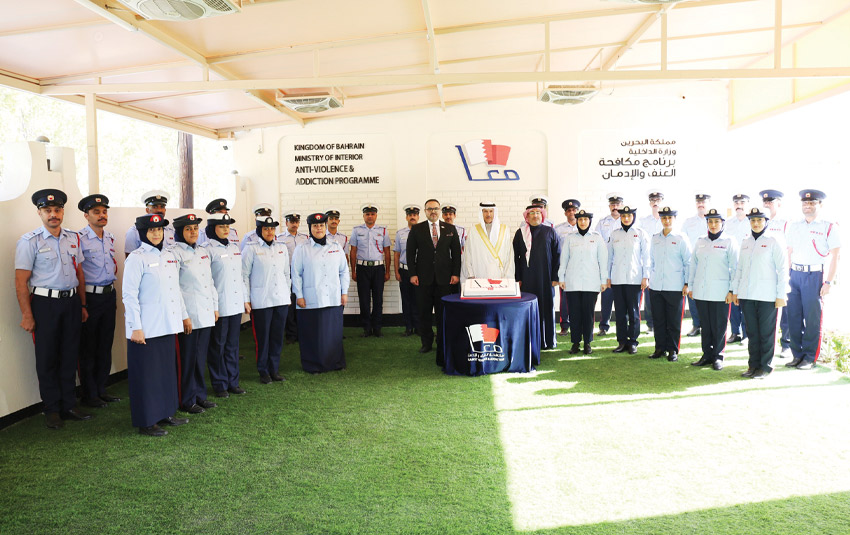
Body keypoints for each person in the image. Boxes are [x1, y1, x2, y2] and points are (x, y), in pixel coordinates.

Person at [15, 189, 93, 430]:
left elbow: (79, 273)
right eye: (48, 210)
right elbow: (20, 281)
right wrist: (27, 314)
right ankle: (51, 409)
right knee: (47, 358)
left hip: (71, 303)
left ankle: (69, 405)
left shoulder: (73, 238)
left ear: (62, 212)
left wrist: (82, 304)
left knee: (70, 355)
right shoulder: (29, 241)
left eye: (57, 210)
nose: (53, 214)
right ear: (39, 213)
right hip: (45, 305)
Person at [122, 213, 189, 436]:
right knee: (147, 376)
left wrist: (184, 316)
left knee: (166, 372)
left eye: (159, 229)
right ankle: (147, 421)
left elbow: (175, 289)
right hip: (146, 328)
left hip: (167, 323)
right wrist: (135, 327)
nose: (156, 233)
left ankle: (166, 412)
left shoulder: (169, 255)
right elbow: (129, 295)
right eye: (151, 230)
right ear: (143, 233)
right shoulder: (136, 258)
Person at [785, 189, 841, 370]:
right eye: (805, 203)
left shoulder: (828, 226)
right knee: (793, 316)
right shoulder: (795, 225)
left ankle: (809, 357)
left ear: (820, 205)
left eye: (812, 203)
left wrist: (828, 282)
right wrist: (787, 276)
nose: (807, 206)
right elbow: (789, 252)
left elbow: (835, 256)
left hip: (814, 276)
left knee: (812, 318)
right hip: (795, 275)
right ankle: (797, 355)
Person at [732, 208, 789, 379]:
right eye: (752, 220)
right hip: (747, 295)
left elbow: (783, 269)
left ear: (766, 221)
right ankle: (753, 365)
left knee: (766, 333)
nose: (756, 223)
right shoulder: (746, 242)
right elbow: (740, 268)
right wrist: (736, 291)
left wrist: (781, 295)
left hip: (767, 296)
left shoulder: (774, 240)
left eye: (759, 220)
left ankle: (765, 367)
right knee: (752, 333)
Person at [170, 214, 219, 413]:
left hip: (205, 313)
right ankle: (186, 399)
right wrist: (184, 316)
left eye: (195, 228)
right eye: (188, 229)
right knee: (187, 360)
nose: (193, 232)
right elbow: (174, 288)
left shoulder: (202, 251)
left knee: (199, 358)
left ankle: (200, 395)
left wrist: (215, 306)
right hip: (189, 315)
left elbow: (210, 281)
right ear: (179, 231)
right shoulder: (174, 253)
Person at [291, 213, 351, 373]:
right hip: (311, 298)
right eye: (315, 226)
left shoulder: (335, 246)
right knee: (312, 334)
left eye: (321, 225)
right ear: (310, 228)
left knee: (332, 333)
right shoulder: (302, 248)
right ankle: (313, 365)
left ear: (325, 227)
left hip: (333, 297)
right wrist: (299, 295)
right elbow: (296, 274)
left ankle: (335, 363)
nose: (319, 228)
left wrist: (344, 292)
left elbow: (344, 271)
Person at [77, 194, 121, 408]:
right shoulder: (79, 239)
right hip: (91, 297)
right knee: (89, 346)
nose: (102, 215)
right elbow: (78, 273)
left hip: (108, 295)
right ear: (86, 215)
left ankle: (102, 388)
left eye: (104, 212)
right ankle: (89, 393)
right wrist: (83, 304)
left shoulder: (109, 237)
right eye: (96, 212)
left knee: (105, 344)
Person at [406, 199, 461, 364]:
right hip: (423, 279)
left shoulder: (450, 229)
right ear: (425, 211)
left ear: (439, 210)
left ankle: (442, 341)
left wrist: (455, 273)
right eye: (429, 209)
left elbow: (456, 253)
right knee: (424, 312)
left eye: (435, 208)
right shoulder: (417, 229)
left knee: (442, 312)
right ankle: (426, 343)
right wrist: (412, 274)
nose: (433, 211)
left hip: (445, 279)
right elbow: (410, 253)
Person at [688, 208, 738, 371]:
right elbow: (693, 264)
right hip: (702, 291)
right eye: (710, 221)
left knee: (719, 325)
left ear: (723, 223)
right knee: (705, 325)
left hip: (720, 292)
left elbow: (735, 268)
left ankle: (718, 356)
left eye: (717, 221)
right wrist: (691, 286)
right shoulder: (700, 241)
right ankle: (706, 355)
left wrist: (732, 291)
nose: (713, 225)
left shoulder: (729, 241)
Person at [242, 215, 291, 384]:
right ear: (259, 230)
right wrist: (246, 299)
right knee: (263, 339)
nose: (270, 232)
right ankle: (263, 371)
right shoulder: (251, 248)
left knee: (277, 337)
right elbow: (244, 275)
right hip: (261, 301)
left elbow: (286, 273)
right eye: (266, 229)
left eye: (272, 229)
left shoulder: (281, 247)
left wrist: (287, 294)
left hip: (280, 299)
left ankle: (274, 370)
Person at [205, 213, 248, 397]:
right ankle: (220, 384)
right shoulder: (207, 249)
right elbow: (207, 281)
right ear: (212, 228)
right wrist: (214, 306)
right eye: (221, 226)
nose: (225, 229)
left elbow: (240, 276)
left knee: (232, 346)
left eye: (227, 226)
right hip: (220, 306)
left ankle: (233, 381)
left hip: (236, 304)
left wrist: (245, 299)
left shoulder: (234, 247)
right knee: (218, 347)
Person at [558, 209, 607, 355]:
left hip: (591, 283)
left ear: (589, 221)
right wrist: (561, 278)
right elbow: (564, 259)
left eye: (585, 219)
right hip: (572, 282)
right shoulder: (570, 238)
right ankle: (575, 343)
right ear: (577, 221)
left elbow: (603, 260)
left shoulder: (597, 238)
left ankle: (587, 343)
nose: (583, 222)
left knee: (588, 314)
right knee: (574, 314)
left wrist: (603, 280)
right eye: (580, 219)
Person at [513, 204, 561, 350]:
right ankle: (530, 341)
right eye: (532, 213)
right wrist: (518, 278)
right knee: (529, 309)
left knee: (546, 308)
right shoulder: (520, 233)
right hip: (527, 279)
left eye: (538, 213)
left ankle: (548, 341)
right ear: (527, 216)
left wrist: (555, 277)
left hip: (546, 278)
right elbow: (515, 257)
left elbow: (557, 255)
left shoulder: (550, 231)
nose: (535, 215)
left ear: (542, 215)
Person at [647, 207, 691, 362]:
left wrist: (687, 283)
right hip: (656, 286)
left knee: (673, 320)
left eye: (669, 218)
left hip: (674, 286)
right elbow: (651, 261)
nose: (666, 221)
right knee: (658, 319)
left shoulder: (681, 238)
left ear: (674, 219)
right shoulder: (655, 238)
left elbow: (688, 262)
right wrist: (650, 278)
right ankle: (659, 348)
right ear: (660, 219)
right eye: (664, 218)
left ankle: (672, 349)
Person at [606, 206, 650, 354]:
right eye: (623, 216)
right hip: (618, 279)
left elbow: (646, 257)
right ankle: (622, 341)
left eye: (629, 216)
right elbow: (609, 257)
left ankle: (633, 341)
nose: (626, 219)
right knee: (620, 312)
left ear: (633, 217)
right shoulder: (614, 234)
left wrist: (645, 276)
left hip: (634, 279)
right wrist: (608, 276)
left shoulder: (640, 233)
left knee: (633, 312)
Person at [349, 204, 391, 337]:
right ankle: (366, 328)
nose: (370, 216)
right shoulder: (356, 230)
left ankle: (377, 328)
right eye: (367, 214)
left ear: (376, 216)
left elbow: (387, 252)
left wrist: (387, 271)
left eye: (372, 214)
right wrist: (353, 270)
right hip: (362, 268)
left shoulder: (383, 231)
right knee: (364, 299)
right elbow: (353, 251)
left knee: (378, 299)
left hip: (378, 268)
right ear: (363, 216)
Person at [760, 189, 792, 357]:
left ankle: (786, 344)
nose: (767, 204)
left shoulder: (786, 222)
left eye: (770, 201)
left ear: (779, 203)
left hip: (780, 271)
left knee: (784, 309)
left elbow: (789, 249)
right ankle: (764, 344)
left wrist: (787, 271)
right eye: (765, 202)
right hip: (764, 274)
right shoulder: (759, 221)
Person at [681, 192, 711, 337]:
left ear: (708, 203)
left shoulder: (715, 219)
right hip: (694, 263)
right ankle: (696, 324)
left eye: (703, 202)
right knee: (692, 294)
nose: (701, 204)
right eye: (698, 202)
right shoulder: (688, 222)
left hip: (711, 264)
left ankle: (708, 325)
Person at [461, 201, 514, 282]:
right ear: (481, 213)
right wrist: (470, 275)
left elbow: (509, 256)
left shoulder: (504, 230)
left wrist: (507, 277)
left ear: (494, 212)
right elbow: (467, 255)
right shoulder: (473, 231)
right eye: (485, 211)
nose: (488, 214)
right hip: (479, 276)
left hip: (500, 277)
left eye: (491, 211)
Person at [594, 192, 623, 336]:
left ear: (622, 205)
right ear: (609, 206)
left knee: (621, 299)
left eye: (617, 204)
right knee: (606, 297)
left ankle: (622, 327)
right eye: (612, 204)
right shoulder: (602, 222)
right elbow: (597, 242)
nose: (615, 207)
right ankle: (604, 326)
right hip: (606, 264)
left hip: (622, 264)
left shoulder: (627, 220)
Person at [278, 210, 309, 342]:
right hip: (288, 273)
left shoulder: (305, 238)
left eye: (296, 222)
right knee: (290, 303)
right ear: (286, 223)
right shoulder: (279, 239)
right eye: (291, 222)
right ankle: (291, 334)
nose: (294, 224)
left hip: (302, 274)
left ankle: (302, 332)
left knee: (301, 301)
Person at [724, 193, 751, 344]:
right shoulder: (728, 223)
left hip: (748, 266)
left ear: (747, 204)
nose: (739, 205)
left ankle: (747, 334)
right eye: (736, 203)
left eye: (742, 202)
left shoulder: (752, 221)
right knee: (733, 299)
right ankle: (735, 332)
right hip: (732, 267)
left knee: (745, 301)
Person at [638, 190, 664, 335]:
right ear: (649, 203)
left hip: (663, 261)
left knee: (662, 294)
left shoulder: (666, 219)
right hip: (648, 261)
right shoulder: (643, 221)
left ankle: (662, 323)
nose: (655, 203)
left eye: (658, 200)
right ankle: (651, 324)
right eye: (653, 200)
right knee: (649, 296)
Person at [555, 199, 580, 336]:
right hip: (564, 268)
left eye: (574, 210)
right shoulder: (558, 229)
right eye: (569, 210)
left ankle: (578, 324)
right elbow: (555, 250)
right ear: (565, 213)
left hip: (580, 268)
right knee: (564, 298)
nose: (572, 212)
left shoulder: (584, 226)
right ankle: (564, 325)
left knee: (579, 297)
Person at [394, 205, 420, 336]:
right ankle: (408, 327)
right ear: (406, 217)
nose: (412, 217)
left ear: (418, 217)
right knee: (406, 299)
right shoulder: (400, 234)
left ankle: (418, 327)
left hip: (419, 271)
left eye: (414, 215)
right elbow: (397, 254)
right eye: (410, 215)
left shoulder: (423, 232)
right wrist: (396, 271)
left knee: (419, 300)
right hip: (404, 271)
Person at [124, 190, 175, 256]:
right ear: (147, 210)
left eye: (162, 207)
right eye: (155, 207)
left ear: (165, 210)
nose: (159, 210)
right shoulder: (134, 231)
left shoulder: (172, 230)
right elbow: (130, 258)